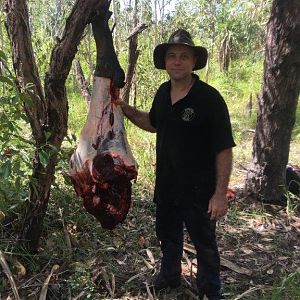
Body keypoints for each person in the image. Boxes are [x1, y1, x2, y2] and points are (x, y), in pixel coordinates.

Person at [116, 29, 236, 300]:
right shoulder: (162, 92)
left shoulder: (209, 99)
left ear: (194, 62)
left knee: (204, 244)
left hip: (200, 191)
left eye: (184, 56)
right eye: (172, 56)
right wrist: (125, 108)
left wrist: (219, 194)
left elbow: (224, 148)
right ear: (165, 62)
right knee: (168, 237)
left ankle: (210, 291)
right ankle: (170, 276)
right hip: (168, 186)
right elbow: (153, 123)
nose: (178, 61)